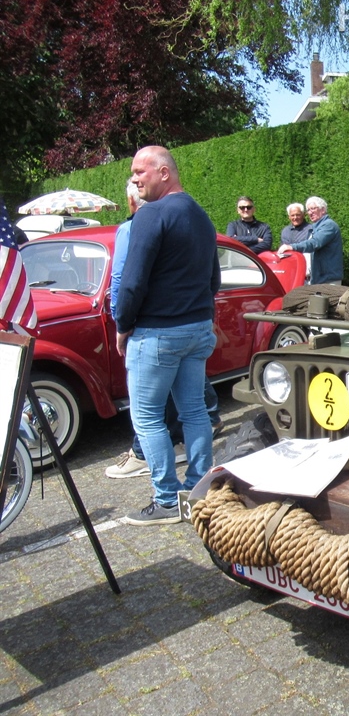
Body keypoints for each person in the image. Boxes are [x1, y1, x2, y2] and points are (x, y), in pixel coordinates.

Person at [115, 146, 219, 525]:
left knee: (146, 418)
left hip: (158, 333)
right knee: (194, 410)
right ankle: (198, 490)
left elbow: (132, 281)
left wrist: (123, 325)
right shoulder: (201, 216)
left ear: (164, 173)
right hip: (197, 329)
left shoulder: (151, 214)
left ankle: (166, 501)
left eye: (140, 171)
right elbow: (214, 279)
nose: (134, 178)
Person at [277, 196, 343, 285]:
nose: (310, 212)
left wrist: (291, 247)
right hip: (318, 279)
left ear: (323, 210)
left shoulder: (329, 225)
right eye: (308, 210)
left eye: (313, 209)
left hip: (328, 280)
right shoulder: (316, 227)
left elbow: (315, 243)